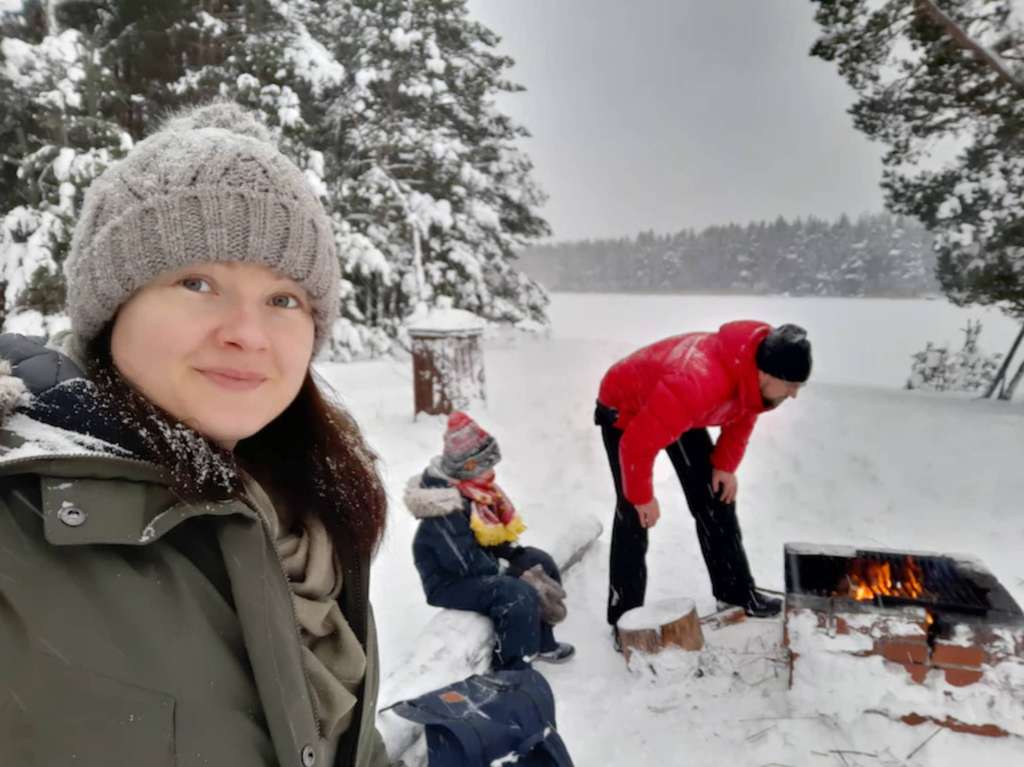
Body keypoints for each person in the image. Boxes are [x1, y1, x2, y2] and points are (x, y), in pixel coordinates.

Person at [0, 101, 389, 767]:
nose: (247, 331)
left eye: (284, 298)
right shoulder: (19, 523)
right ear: (112, 305)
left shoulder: (302, 521)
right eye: (198, 280)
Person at [596, 320, 812, 636]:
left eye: (799, 386)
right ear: (766, 374)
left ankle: (735, 592)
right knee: (633, 513)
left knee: (715, 495)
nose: (793, 394)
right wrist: (642, 496)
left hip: (671, 402)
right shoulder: (697, 383)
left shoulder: (752, 374)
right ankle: (625, 620)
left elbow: (745, 413)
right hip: (624, 407)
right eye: (791, 384)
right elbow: (636, 445)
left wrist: (724, 466)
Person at [404, 411, 574, 670]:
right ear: (469, 467)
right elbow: (463, 563)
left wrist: (515, 555)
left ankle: (542, 641)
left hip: (477, 567)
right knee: (517, 594)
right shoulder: (444, 508)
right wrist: (512, 573)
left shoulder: (474, 492)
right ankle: (514, 667)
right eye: (487, 466)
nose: (493, 473)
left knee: (539, 560)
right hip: (450, 582)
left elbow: (489, 536)